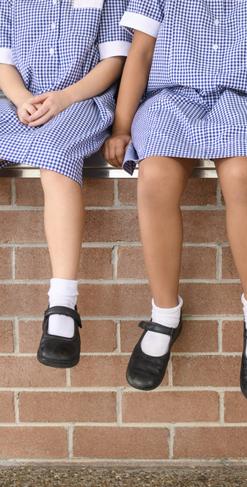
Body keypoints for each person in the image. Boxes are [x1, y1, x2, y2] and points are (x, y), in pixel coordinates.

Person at [103, 0, 247, 400]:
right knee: (155, 175)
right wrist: (122, 127)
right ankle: (165, 313)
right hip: (170, 100)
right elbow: (141, 52)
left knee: (240, 173)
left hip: (244, 102)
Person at [0, 0, 131, 368]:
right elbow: (4, 60)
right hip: (20, 103)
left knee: (55, 157)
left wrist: (64, 98)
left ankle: (62, 304)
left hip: (80, 102)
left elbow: (113, 61)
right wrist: (23, 98)